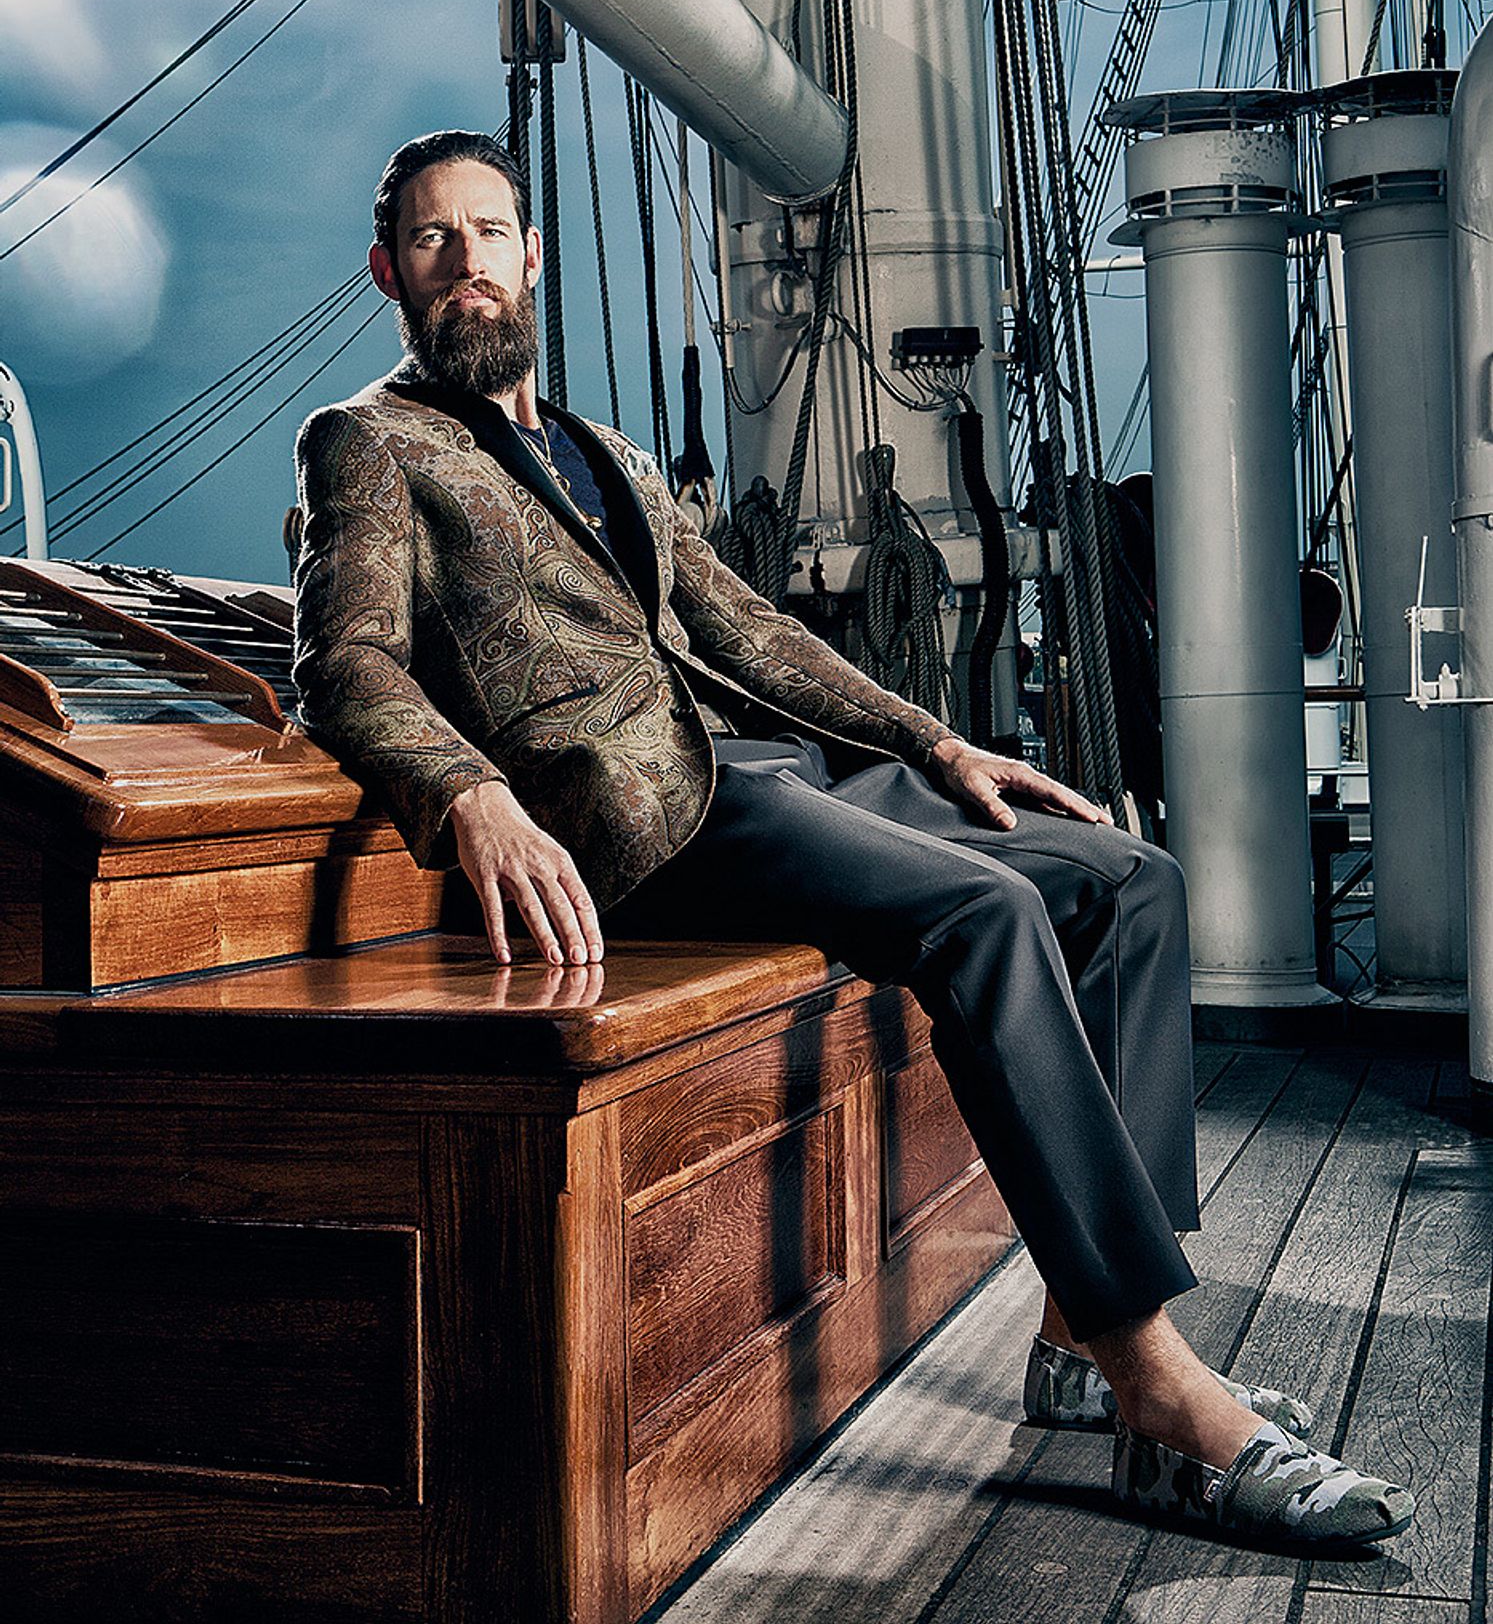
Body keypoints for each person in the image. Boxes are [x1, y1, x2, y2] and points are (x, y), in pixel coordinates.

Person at [293, 129, 1412, 1548]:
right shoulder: (370, 443)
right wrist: (469, 792)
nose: (464, 262)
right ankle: (1159, 1387)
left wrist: (930, 741)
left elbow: (749, 630)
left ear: (531, 256)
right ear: (389, 271)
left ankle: (1078, 1332)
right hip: (640, 824)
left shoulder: (608, 457)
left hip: (770, 774)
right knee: (987, 918)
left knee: (1125, 881)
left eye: (487, 232)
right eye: (431, 240)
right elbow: (345, 663)